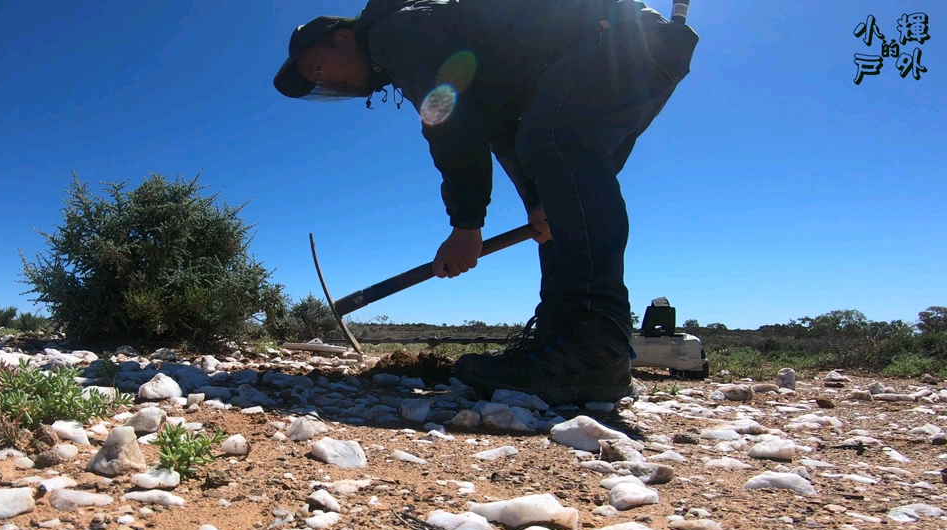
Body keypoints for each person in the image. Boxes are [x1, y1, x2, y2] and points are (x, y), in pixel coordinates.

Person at [273, 0, 698, 405]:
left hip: (622, 42)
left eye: (319, 67)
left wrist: (466, 226)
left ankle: (595, 343)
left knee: (556, 139)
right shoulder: (413, 46)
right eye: (319, 84)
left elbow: (450, 123)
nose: (328, 83)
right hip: (632, 49)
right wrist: (540, 199)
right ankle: (564, 341)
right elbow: (501, 127)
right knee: (554, 175)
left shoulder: (394, 31)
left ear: (343, 37)